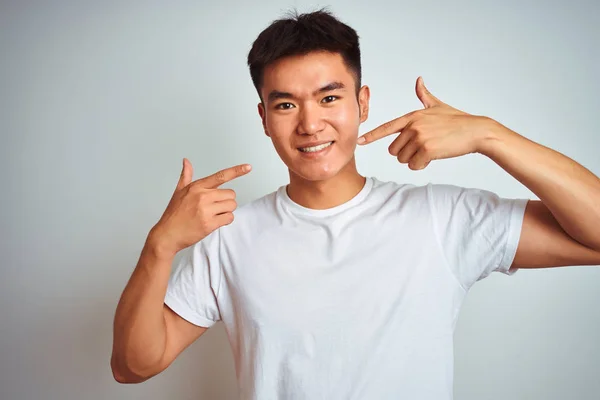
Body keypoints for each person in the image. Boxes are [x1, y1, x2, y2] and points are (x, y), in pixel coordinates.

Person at [110, 9, 600, 399]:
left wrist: (489, 136)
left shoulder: (441, 218)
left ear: (362, 103)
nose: (309, 124)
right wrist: (160, 245)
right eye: (285, 105)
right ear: (263, 117)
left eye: (328, 98)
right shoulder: (229, 238)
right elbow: (133, 367)